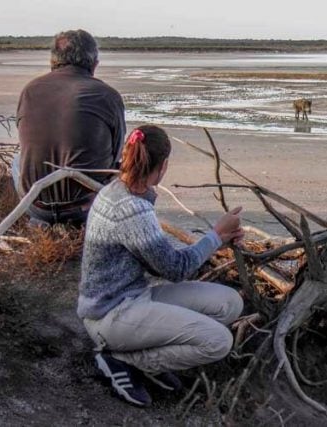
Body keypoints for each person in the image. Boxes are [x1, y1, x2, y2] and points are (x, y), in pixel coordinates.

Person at [77, 125, 244, 407]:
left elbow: (159, 259)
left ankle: (144, 356)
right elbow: (175, 269)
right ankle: (123, 360)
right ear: (163, 166)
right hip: (110, 315)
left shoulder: (118, 191)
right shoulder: (131, 209)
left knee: (229, 303)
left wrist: (221, 238)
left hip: (131, 298)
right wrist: (216, 235)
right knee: (218, 342)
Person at [14, 29, 126, 226]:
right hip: (87, 206)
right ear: (94, 63)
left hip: (35, 205)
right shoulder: (106, 95)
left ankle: (41, 221)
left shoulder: (30, 90)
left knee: (18, 159)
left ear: (53, 61)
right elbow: (116, 154)